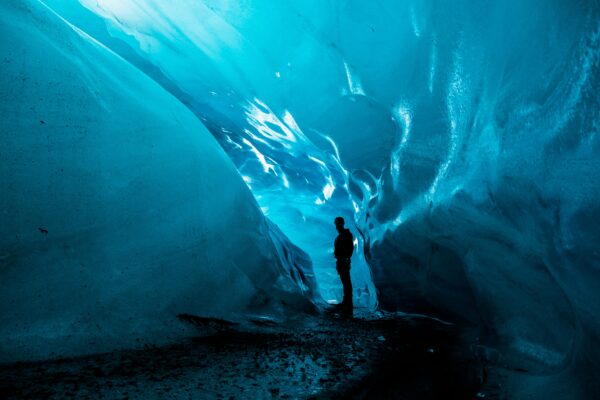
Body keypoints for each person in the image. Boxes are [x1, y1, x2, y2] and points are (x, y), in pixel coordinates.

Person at [334, 216, 354, 311]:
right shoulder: (340, 236)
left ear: (341, 223)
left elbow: (350, 247)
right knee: (344, 281)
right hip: (340, 261)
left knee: (346, 281)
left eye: (337, 223)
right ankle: (346, 301)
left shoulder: (347, 234)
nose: (336, 225)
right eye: (335, 223)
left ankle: (348, 303)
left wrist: (347, 257)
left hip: (344, 261)